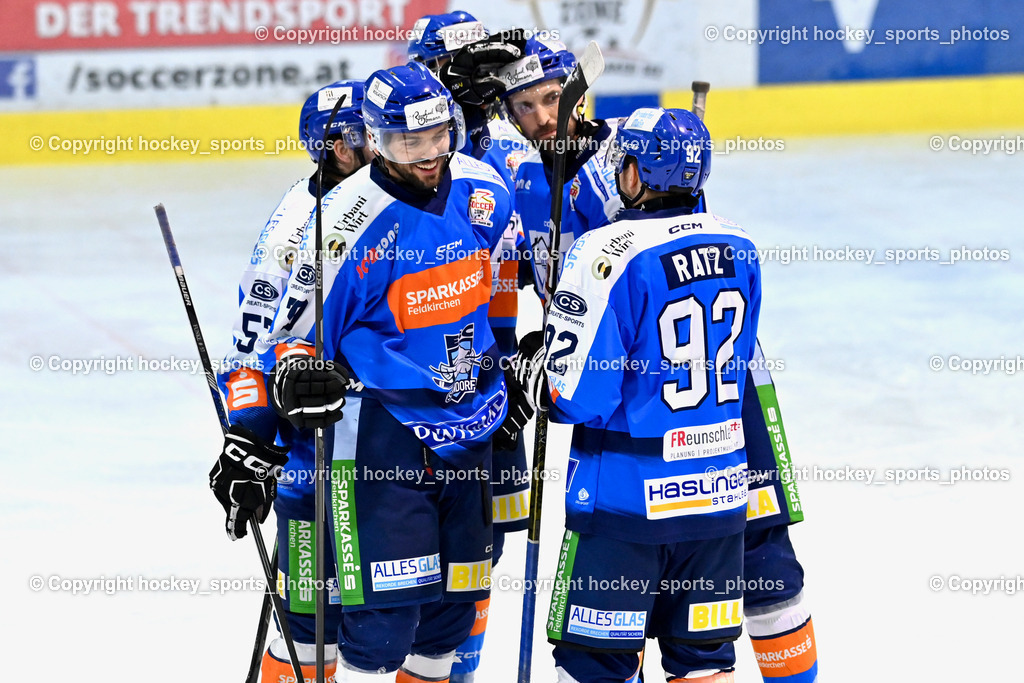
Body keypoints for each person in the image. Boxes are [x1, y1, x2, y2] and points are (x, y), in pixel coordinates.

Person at [497, 34, 818, 681]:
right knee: (650, 588)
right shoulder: (517, 180)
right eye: (524, 106)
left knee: (763, 557)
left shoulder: (627, 147)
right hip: (621, 384)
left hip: (720, 388)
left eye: (553, 98)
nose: (542, 117)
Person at [255, 62, 519, 682]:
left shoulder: (486, 189)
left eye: (438, 138)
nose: (429, 157)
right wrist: (295, 379)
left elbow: (494, 286)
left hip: (472, 433)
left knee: (452, 615)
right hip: (384, 438)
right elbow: (289, 339)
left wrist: (513, 363)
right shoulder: (342, 224)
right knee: (382, 629)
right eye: (409, 143)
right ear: (375, 140)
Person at [516, 107, 758, 682]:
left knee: (595, 664)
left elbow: (576, 396)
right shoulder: (741, 242)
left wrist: (530, 369)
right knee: (703, 665)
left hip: (624, 505)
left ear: (635, 173)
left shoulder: (606, 251)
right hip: (720, 502)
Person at [210, 79, 372, 683]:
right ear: (336, 147)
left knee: (399, 617)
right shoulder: (294, 229)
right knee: (310, 619)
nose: (381, 145)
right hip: (316, 448)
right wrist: (251, 437)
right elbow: (248, 346)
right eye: (364, 137)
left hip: (394, 441)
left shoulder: (390, 196)